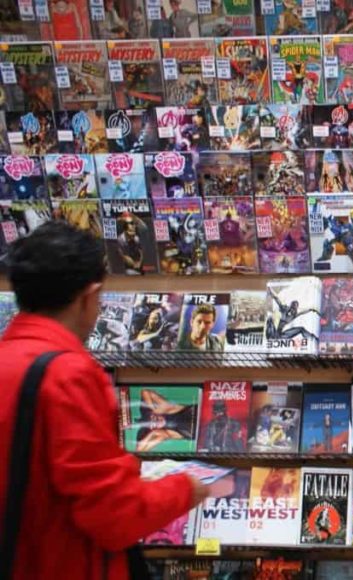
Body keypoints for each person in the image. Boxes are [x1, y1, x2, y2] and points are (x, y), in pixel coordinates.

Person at [0, 221, 207, 579]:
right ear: (89, 294)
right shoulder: (68, 375)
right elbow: (115, 516)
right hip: (65, 564)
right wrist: (185, 488)